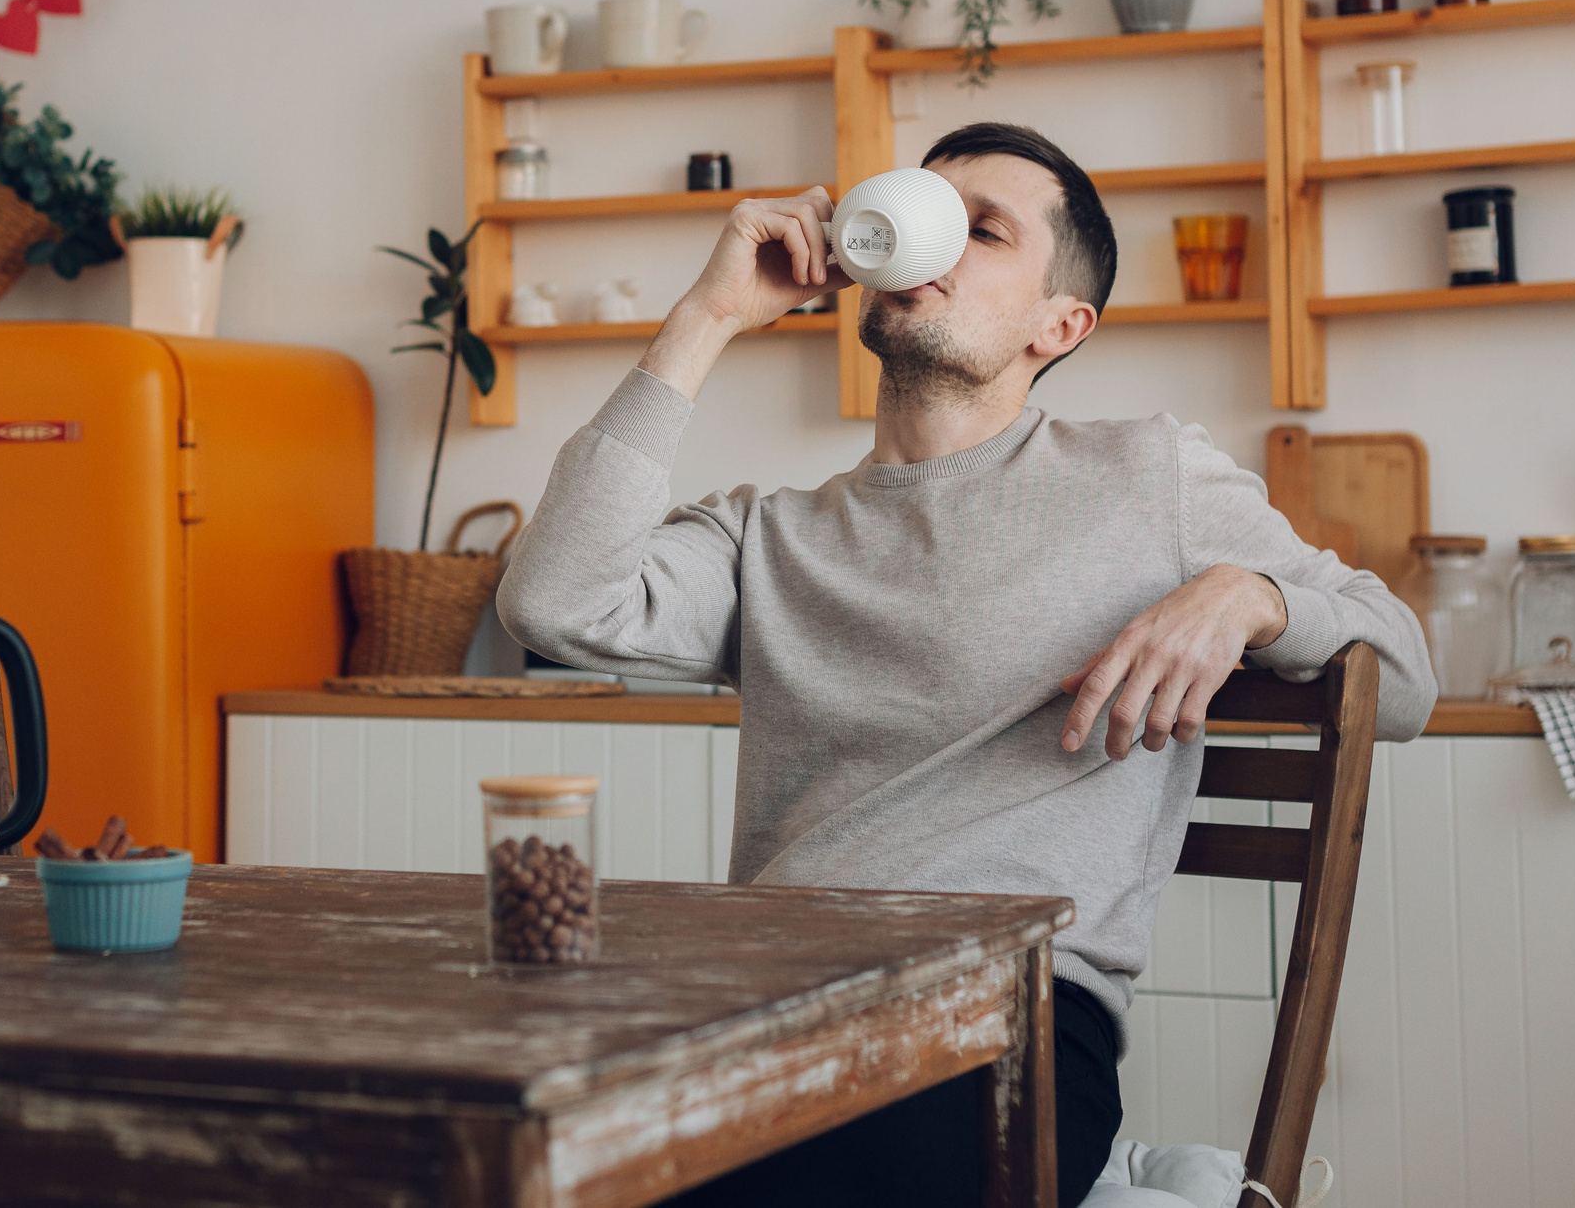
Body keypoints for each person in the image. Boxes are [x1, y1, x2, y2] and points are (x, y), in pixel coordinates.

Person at [494, 122, 1433, 1207]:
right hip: (758, 997)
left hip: (1006, 1015)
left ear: (1059, 324)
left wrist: (1253, 598)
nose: (931, 237)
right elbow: (553, 600)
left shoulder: (1147, 476)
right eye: (920, 207)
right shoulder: (768, 535)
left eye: (980, 229)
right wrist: (706, 317)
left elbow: (1402, 673)